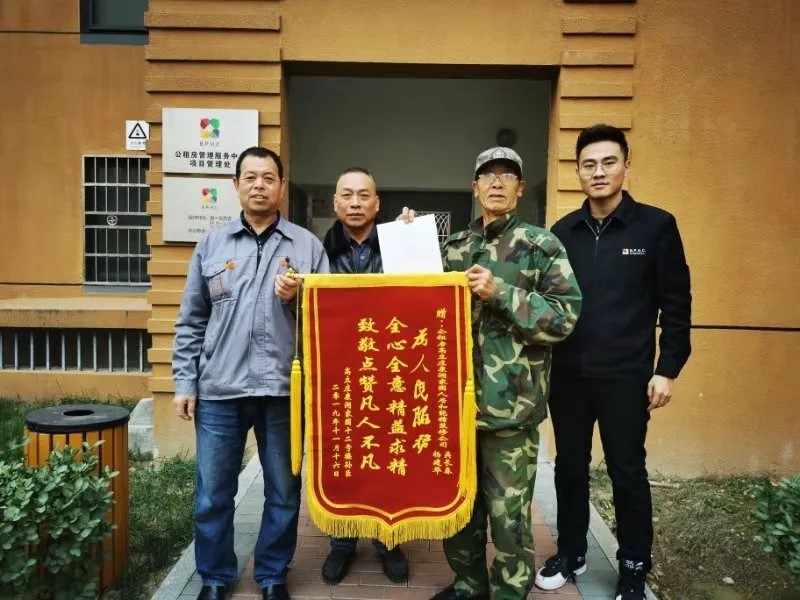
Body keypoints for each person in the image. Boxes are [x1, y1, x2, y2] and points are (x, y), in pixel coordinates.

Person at [404, 147, 582, 600]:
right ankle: (468, 583)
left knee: (509, 517)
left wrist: (500, 291)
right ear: (475, 187)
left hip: (511, 411)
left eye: (507, 176)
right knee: (458, 510)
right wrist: (406, 239)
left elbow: (564, 318)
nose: (497, 183)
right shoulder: (453, 247)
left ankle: (508, 592)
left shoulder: (542, 245)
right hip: (453, 408)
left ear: (520, 189)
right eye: (488, 175)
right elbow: (412, 303)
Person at [534, 124, 691, 600]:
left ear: (626, 165)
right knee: (569, 469)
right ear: (577, 171)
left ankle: (633, 567)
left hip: (627, 377)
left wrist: (667, 369)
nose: (598, 172)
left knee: (627, 472)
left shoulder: (655, 226)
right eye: (589, 164)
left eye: (608, 162)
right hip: (569, 376)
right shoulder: (562, 233)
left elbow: (676, 303)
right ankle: (572, 552)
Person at [172, 146, 329, 600]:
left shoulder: (307, 246)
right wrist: (185, 382)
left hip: (283, 392)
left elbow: (327, 320)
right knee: (212, 494)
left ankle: (272, 574)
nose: (259, 185)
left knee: (283, 491)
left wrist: (297, 299)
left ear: (282, 186)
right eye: (250, 177)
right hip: (220, 390)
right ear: (236, 185)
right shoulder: (211, 245)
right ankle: (216, 577)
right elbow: (191, 320)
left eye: (268, 178)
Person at [319, 167, 409, 584]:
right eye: (347, 195)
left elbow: (427, 290)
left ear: (377, 203)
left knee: (388, 458)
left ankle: (388, 539)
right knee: (341, 458)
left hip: (389, 370)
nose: (355, 203)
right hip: (337, 374)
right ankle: (342, 542)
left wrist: (413, 236)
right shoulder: (316, 251)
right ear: (335, 203)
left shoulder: (398, 243)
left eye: (363, 195)